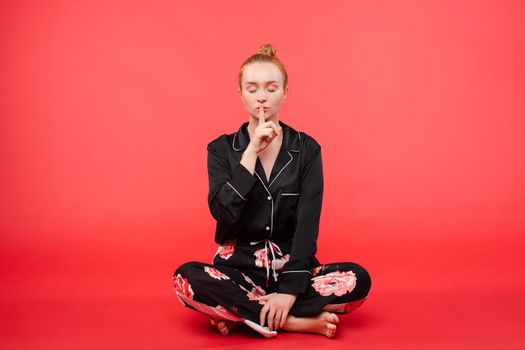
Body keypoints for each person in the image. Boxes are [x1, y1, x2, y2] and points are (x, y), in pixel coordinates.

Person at [172, 43, 372, 338]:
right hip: (237, 272)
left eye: (271, 88)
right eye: (252, 89)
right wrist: (250, 153)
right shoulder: (220, 149)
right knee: (185, 278)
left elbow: (307, 224)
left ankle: (240, 314)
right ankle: (292, 322)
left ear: (285, 92)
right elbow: (222, 213)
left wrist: (289, 291)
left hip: (292, 271)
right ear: (240, 94)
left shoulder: (307, 150)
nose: (262, 97)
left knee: (358, 279)